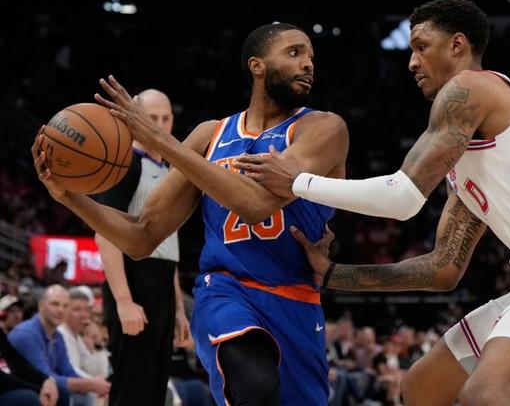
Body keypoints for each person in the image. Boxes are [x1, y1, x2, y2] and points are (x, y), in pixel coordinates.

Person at [234, 0, 510, 406]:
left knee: (487, 396)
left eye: (421, 47)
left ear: (457, 44)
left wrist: (298, 182)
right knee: (422, 388)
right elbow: (443, 268)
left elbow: (402, 198)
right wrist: (335, 274)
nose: (411, 62)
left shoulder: (472, 87)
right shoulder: (474, 161)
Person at [31, 22, 348, 405]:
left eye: (311, 56)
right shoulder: (209, 136)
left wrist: (161, 141)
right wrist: (70, 197)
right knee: (256, 389)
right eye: (294, 53)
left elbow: (256, 204)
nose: (308, 63)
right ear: (257, 65)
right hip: (227, 293)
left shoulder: (324, 128)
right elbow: (142, 236)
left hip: (297, 300)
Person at [92, 88, 191, 406]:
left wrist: (179, 311)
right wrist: (124, 302)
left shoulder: (167, 169)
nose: (159, 125)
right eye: (151, 118)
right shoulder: (124, 163)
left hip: (162, 280)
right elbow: (105, 234)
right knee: (131, 388)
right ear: (133, 119)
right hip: (134, 280)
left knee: (154, 389)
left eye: (165, 118)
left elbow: (167, 247)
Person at [9, 285, 111, 405]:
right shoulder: (25, 335)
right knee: (75, 396)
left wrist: (95, 385)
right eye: (55, 304)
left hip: (44, 390)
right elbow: (43, 377)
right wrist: (91, 384)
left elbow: (68, 370)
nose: (60, 310)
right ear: (41, 306)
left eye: (65, 306)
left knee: (82, 395)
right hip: (24, 393)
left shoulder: (57, 335)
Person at [0, 325, 59, 406]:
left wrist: (46, 380)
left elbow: (18, 362)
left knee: (58, 391)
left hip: (12, 383)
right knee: (29, 398)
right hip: (4, 389)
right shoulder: (25, 333)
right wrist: (39, 390)